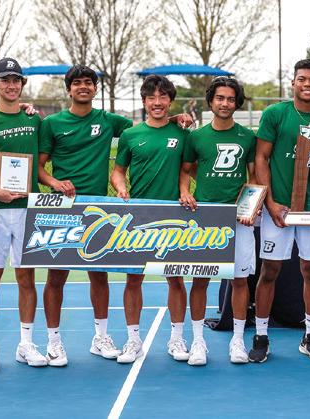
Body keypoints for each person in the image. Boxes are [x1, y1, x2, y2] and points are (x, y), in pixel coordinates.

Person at [37, 65, 134, 366]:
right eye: (77, 82)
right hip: (62, 208)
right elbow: (38, 168)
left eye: (88, 82)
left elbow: (147, 128)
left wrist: (175, 119)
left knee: (99, 275)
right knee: (56, 277)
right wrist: (55, 183)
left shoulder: (108, 120)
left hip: (98, 208)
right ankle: (53, 342)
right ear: (68, 89)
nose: (83, 86)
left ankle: (100, 337)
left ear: (95, 88)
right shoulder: (52, 123)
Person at [250, 59, 310, 362]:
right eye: (302, 79)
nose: (307, 84)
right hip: (280, 208)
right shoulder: (276, 114)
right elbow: (261, 159)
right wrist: (270, 202)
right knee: (270, 270)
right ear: (293, 83)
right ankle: (261, 336)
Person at [0, 57, 47, 372]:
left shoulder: (35, 120)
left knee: (26, 278)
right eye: (5, 80)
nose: (11, 85)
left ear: (22, 84)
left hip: (28, 209)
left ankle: (26, 344)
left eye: (16, 80)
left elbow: (42, 164)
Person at [111, 75, 190, 363]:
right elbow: (118, 171)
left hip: (174, 218)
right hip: (138, 217)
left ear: (170, 101)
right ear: (144, 101)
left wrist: (185, 192)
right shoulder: (131, 135)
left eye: (163, 97)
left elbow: (188, 170)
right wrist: (121, 187)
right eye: (151, 98)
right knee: (134, 280)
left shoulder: (183, 133)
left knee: (176, 279)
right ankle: (133, 340)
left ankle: (177, 338)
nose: (157, 103)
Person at [179, 76, 257, 365]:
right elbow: (186, 170)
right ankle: (198, 342)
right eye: (220, 98)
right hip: (205, 218)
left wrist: (251, 206)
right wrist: (185, 191)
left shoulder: (247, 137)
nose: (225, 103)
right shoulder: (196, 137)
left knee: (240, 280)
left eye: (231, 99)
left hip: (238, 218)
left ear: (237, 103)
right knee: (200, 279)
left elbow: (254, 177)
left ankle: (237, 341)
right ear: (211, 101)